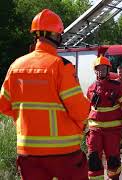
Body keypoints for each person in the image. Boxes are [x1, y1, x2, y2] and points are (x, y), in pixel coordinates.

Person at [0, 9, 90, 179]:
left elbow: (3, 105)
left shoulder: (15, 66)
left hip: (28, 152)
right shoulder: (61, 66)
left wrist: (27, 121)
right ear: (57, 36)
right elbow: (80, 111)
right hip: (65, 152)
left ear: (35, 35)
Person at [86, 56, 122, 180]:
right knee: (93, 159)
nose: (100, 71)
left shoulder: (117, 86)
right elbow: (86, 109)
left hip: (112, 132)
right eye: (98, 68)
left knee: (113, 160)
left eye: (103, 68)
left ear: (108, 69)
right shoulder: (91, 88)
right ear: (95, 71)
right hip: (94, 131)